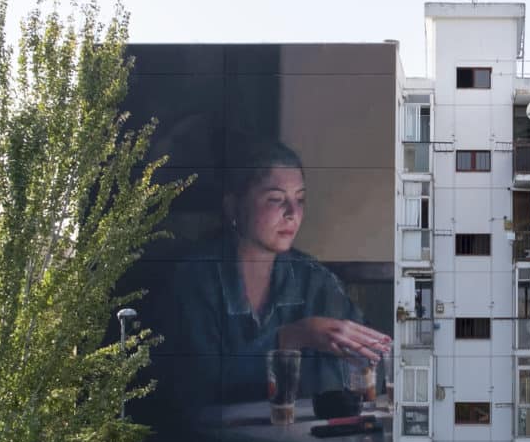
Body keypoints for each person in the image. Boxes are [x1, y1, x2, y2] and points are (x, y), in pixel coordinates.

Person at [160, 138, 391, 411]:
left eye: (300, 200)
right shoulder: (195, 279)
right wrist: (289, 338)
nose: (292, 213)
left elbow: (375, 364)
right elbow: (196, 386)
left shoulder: (316, 281)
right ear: (234, 207)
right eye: (275, 199)